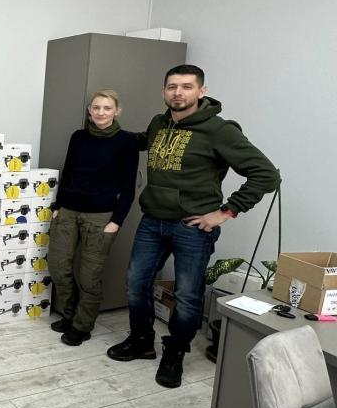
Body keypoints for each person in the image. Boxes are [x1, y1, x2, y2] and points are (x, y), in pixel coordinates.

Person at [107, 65, 279, 388]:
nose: (178, 92)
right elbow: (141, 142)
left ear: (201, 91)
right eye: (172, 86)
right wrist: (106, 124)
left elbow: (267, 175)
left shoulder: (220, 130)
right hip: (152, 221)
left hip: (193, 227)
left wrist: (225, 213)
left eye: (186, 87)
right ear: (164, 92)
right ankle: (143, 341)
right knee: (135, 284)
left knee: (187, 296)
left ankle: (175, 353)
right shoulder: (159, 124)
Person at [49, 89, 138, 346]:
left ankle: (82, 325)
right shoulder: (78, 137)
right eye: (96, 107)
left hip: (101, 217)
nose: (100, 112)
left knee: (89, 277)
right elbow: (69, 172)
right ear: (89, 110)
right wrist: (58, 206)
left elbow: (129, 188)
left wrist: (116, 222)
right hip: (68, 212)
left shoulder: (126, 141)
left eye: (107, 108)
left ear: (116, 111)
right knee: (58, 267)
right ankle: (69, 314)